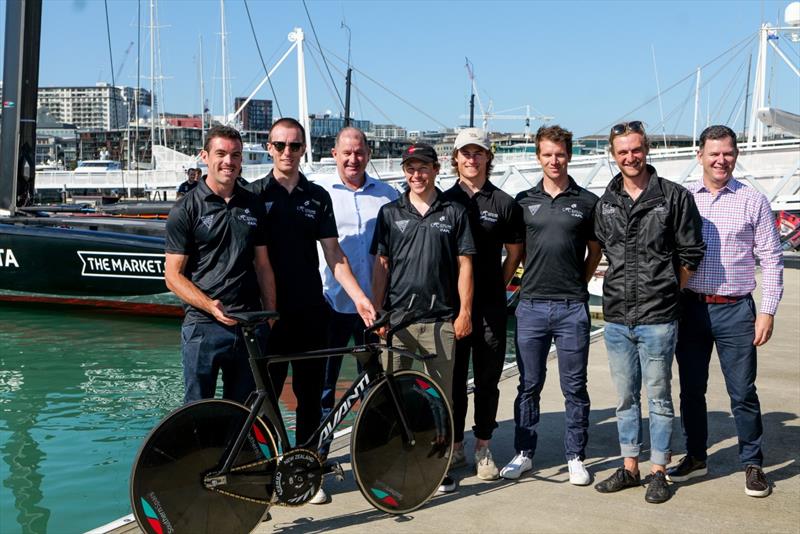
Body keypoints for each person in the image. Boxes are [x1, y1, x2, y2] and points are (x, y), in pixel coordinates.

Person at [246, 117, 376, 471]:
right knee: (266, 397)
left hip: (310, 312)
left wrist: (360, 298)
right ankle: (269, 468)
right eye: (280, 145)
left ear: (305, 149)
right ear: (269, 148)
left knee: (309, 397)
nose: (287, 152)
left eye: (295, 145)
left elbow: (334, 254)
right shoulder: (254, 196)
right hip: (267, 316)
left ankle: (304, 466)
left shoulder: (317, 197)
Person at [667, 125, 783, 498]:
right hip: (691, 308)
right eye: (714, 153)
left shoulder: (754, 201)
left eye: (728, 153)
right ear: (699, 155)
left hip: (736, 310)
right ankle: (696, 456)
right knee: (690, 390)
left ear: (736, 155)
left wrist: (767, 311)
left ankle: (752, 462)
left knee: (742, 391)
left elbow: (772, 258)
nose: (721, 160)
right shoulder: (683, 199)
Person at [593, 121, 705, 504]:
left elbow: (691, 252)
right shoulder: (606, 202)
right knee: (625, 397)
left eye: (636, 149)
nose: (630, 157)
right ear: (613, 154)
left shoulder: (673, 197)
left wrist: (673, 290)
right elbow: (605, 250)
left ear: (647, 149)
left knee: (659, 397)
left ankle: (659, 470)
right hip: (617, 318)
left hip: (658, 316)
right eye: (622, 151)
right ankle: (629, 467)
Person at [371, 142, 476, 493]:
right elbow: (381, 266)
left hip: (440, 320)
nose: (416, 174)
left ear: (436, 168)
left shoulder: (454, 211)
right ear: (405, 172)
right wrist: (377, 312)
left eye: (423, 167)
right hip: (397, 322)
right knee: (395, 398)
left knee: (439, 400)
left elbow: (465, 265)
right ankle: (396, 461)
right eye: (410, 168)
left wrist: (464, 312)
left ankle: (438, 467)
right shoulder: (389, 213)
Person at [501, 125, 601, 486]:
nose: (554, 160)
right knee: (529, 384)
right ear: (538, 157)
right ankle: (524, 453)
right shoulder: (523, 201)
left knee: (575, 386)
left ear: (569, 155)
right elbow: (513, 253)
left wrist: (580, 282)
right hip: (530, 306)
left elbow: (595, 251)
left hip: (572, 306)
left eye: (559, 154)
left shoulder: (588, 201)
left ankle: (575, 455)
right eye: (547, 154)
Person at [312, 126, 398, 503]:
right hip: (332, 306)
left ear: (368, 153)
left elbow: (394, 255)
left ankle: (373, 459)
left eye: (359, 152)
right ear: (334, 154)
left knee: (376, 386)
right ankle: (315, 465)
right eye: (346, 153)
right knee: (323, 389)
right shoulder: (321, 195)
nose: (353, 159)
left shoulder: (389, 196)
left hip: (374, 310)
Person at [165, 125, 276, 404]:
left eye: (235, 155)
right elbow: (173, 276)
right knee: (198, 409)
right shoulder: (186, 209)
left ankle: (237, 450)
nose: (229, 161)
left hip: (249, 324)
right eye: (221, 153)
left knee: (243, 412)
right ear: (205, 156)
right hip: (203, 326)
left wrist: (270, 315)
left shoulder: (253, 204)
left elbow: (262, 264)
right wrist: (209, 305)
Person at [441, 128, 524, 481]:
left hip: (490, 305)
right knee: (454, 380)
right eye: (465, 153)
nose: (471, 159)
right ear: (455, 158)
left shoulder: (504, 202)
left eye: (478, 153)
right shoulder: (443, 201)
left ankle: (483, 446)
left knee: (488, 379)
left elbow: (515, 253)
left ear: (488, 157)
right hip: (451, 304)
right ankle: (456, 446)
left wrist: (498, 285)